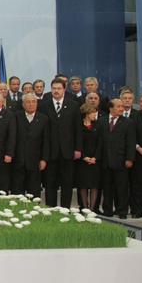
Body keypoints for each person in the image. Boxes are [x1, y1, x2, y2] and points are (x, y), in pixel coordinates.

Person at [40, 78, 81, 208]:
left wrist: (78, 148)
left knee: (67, 183)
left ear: (64, 89)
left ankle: (65, 209)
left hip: (67, 151)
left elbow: (78, 129)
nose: (56, 91)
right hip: (50, 151)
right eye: (54, 88)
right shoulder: (44, 105)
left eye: (59, 88)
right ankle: (50, 209)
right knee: (50, 182)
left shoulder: (73, 105)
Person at [99, 98, 135, 219]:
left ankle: (122, 211)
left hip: (121, 161)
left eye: (122, 106)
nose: (121, 108)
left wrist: (130, 159)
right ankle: (107, 210)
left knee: (122, 188)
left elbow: (131, 142)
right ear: (111, 108)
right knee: (107, 187)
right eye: (118, 106)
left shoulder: (128, 122)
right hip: (105, 161)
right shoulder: (102, 121)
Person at [76, 103, 101, 211]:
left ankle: (93, 209)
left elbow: (101, 143)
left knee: (94, 185)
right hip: (82, 161)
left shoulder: (98, 125)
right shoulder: (79, 126)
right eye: (93, 112)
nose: (95, 114)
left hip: (95, 161)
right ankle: (85, 208)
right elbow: (77, 143)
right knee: (83, 185)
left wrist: (95, 157)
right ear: (87, 113)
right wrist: (84, 157)